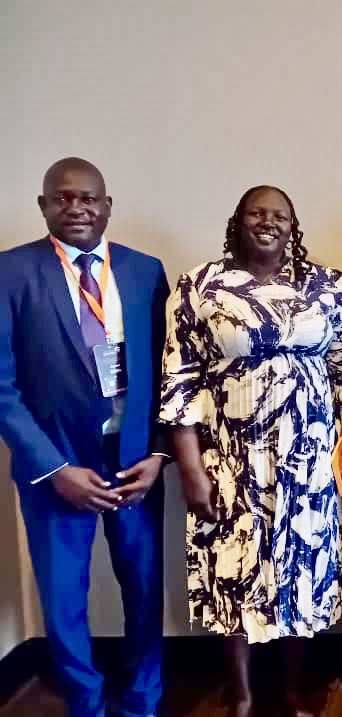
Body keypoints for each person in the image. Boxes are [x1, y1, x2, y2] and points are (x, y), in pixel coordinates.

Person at [159, 185, 342, 717]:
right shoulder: (200, 285)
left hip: (310, 459)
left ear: (293, 224)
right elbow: (179, 380)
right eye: (257, 212)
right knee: (232, 566)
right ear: (238, 220)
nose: (268, 221)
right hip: (231, 457)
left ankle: (293, 689)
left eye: (280, 214)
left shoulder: (325, 284)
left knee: (303, 568)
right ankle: (241, 691)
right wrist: (189, 467)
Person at [0, 157, 169, 717]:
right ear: (45, 206)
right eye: (64, 198)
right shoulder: (11, 272)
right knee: (63, 596)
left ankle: (144, 698)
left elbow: (173, 373)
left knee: (143, 590)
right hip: (57, 468)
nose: (77, 208)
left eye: (88, 198)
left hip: (133, 461)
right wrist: (53, 469)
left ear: (107, 206)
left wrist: (159, 454)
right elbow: (3, 387)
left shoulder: (147, 272)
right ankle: (85, 702)